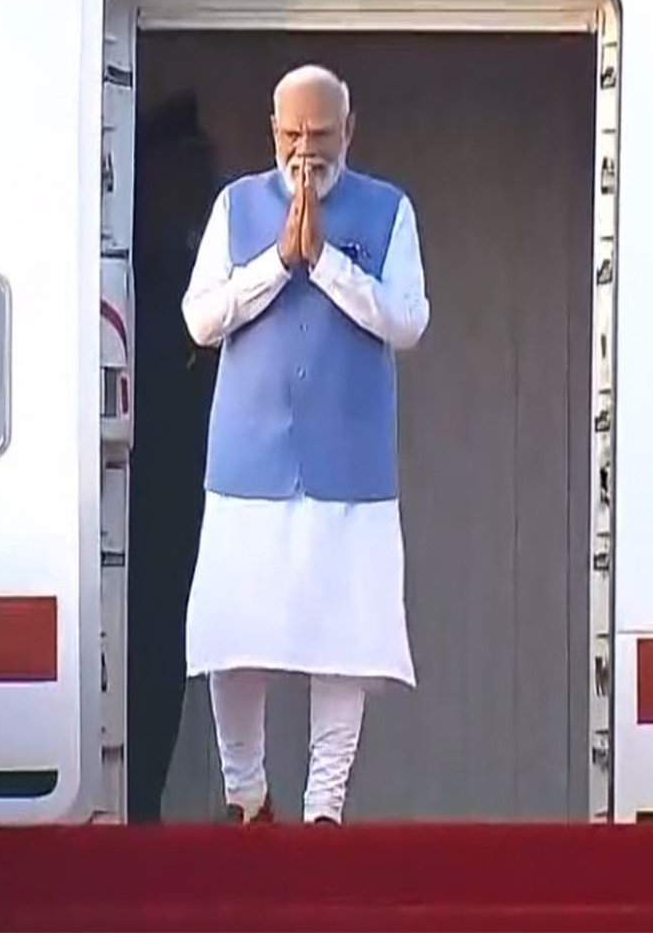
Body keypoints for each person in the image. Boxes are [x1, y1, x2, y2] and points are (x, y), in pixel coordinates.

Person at [179, 63, 430, 825]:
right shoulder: (237, 205)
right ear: (273, 133)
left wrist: (325, 264)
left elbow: (408, 320)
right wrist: (279, 263)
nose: (305, 152)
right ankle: (245, 793)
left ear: (347, 132)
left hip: (347, 463)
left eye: (320, 136)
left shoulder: (388, 210)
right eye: (292, 135)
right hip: (248, 458)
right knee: (235, 630)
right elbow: (201, 317)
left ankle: (325, 806)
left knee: (343, 635)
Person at [127, 91, 220, 822]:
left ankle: (147, 805)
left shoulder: (198, 270)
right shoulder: (134, 277)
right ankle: (135, 808)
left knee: (172, 660)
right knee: (142, 652)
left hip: (193, 494)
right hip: (137, 497)